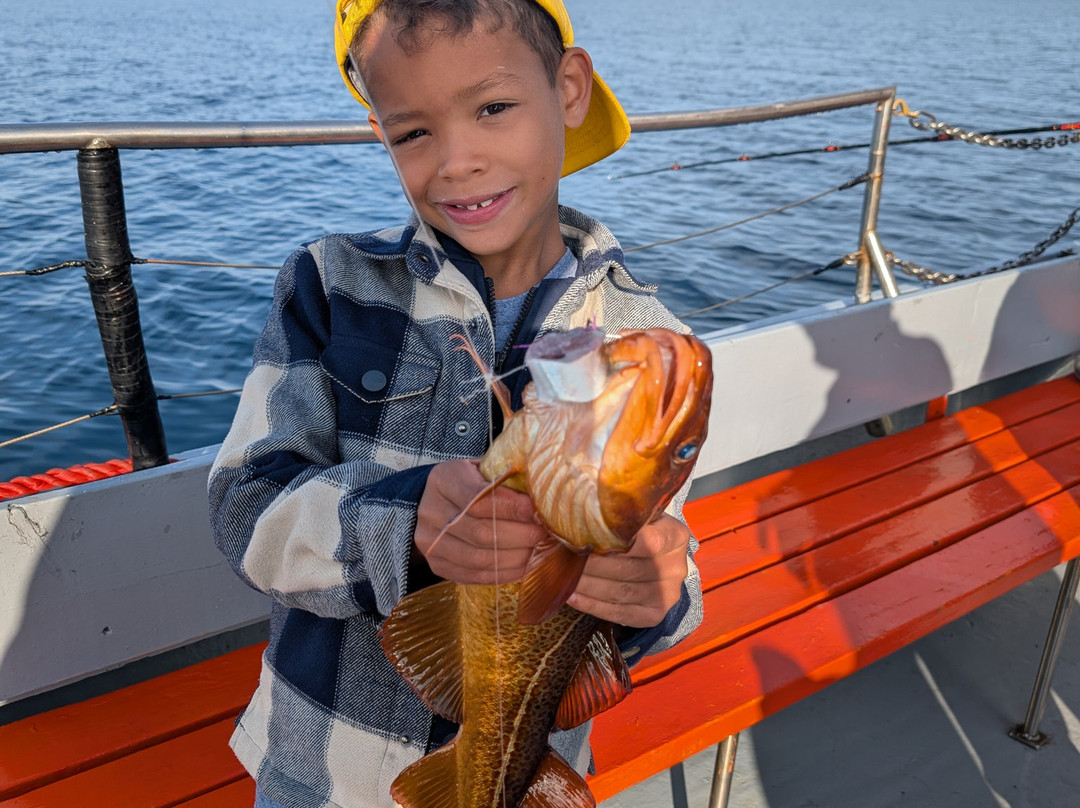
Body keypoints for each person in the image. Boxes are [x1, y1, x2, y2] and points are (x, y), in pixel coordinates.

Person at [208, 1, 704, 806]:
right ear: (380, 133)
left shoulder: (641, 340)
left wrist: (656, 597)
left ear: (568, 89)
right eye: (413, 132)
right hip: (318, 776)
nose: (458, 161)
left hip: (522, 777)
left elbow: (670, 560)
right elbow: (244, 511)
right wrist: (402, 526)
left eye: (494, 107)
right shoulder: (328, 285)